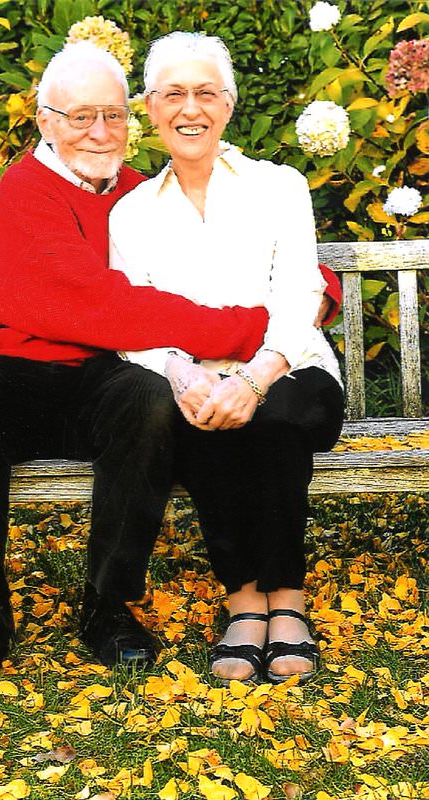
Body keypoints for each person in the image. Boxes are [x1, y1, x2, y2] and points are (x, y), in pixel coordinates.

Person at [0, 41, 281, 682]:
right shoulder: (25, 188)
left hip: (103, 373)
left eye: (113, 115)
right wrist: (245, 328)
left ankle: (107, 607)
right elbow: (98, 304)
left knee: (149, 400)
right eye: (81, 116)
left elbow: (250, 250)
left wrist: (310, 292)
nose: (99, 131)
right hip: (10, 370)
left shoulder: (143, 193)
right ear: (46, 121)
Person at [108, 32, 345, 684]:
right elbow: (133, 319)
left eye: (206, 93)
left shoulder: (280, 187)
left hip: (295, 367)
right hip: (196, 374)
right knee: (199, 418)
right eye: (173, 94)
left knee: (272, 417)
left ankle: (286, 600)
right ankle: (244, 603)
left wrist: (258, 375)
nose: (191, 109)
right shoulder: (130, 213)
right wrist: (178, 371)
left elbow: (299, 293)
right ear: (151, 108)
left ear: (229, 105)